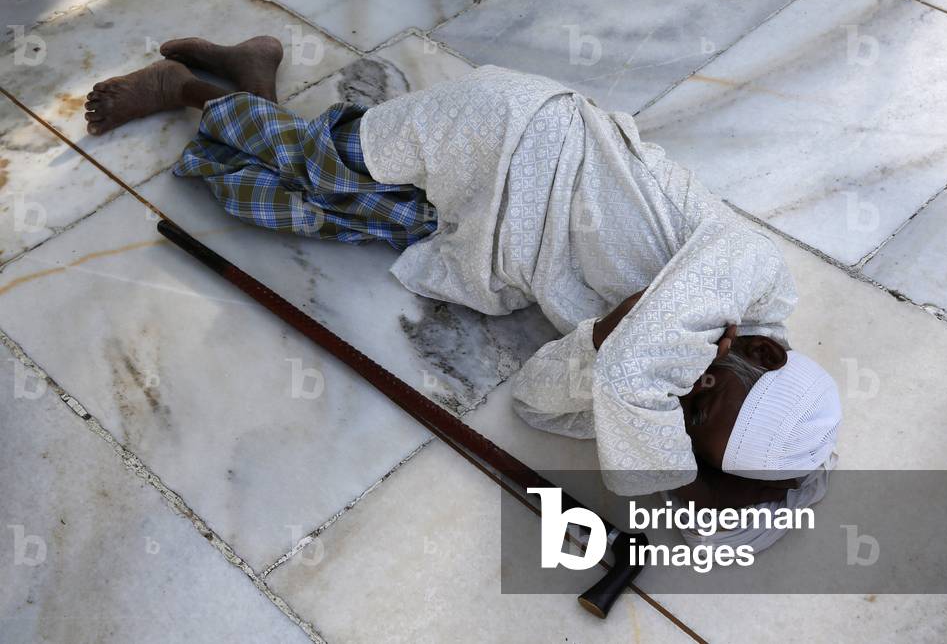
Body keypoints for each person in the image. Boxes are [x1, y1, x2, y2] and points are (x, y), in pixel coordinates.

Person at [85, 36, 842, 550]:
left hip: (489, 239)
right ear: (765, 350)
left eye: (696, 412)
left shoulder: (648, 390)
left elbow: (538, 400)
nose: (694, 384)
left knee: (281, 206)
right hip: (512, 138)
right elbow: (626, 381)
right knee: (322, 165)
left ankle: (250, 76)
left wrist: (599, 340)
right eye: (720, 385)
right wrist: (658, 456)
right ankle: (184, 87)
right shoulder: (752, 270)